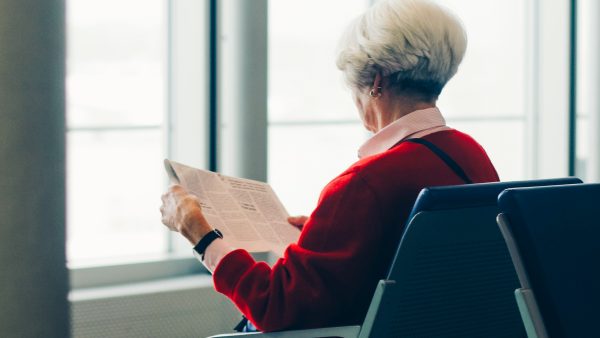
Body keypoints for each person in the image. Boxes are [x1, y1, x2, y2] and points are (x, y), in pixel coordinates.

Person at [160, 0, 499, 332]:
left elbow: (276, 306)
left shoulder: (365, 184)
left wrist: (202, 236)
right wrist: (329, 234)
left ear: (377, 81)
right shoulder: (471, 154)